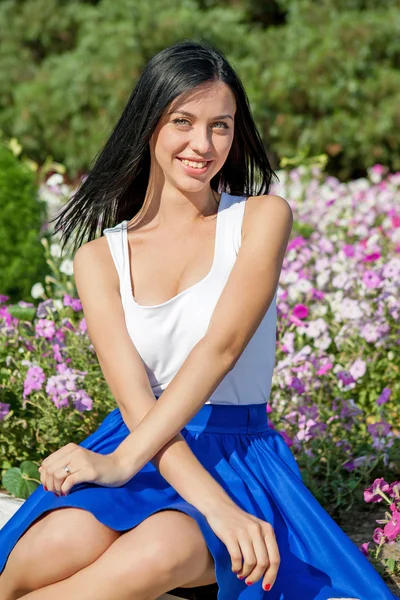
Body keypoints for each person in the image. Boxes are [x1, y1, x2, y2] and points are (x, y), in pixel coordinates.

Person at [0, 39, 396, 600]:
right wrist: (118, 465)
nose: (203, 144)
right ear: (149, 125)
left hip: (235, 457)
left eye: (222, 126)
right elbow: (134, 396)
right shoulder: (99, 257)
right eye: (182, 121)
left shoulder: (260, 217)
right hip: (138, 442)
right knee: (50, 547)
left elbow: (221, 348)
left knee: (161, 551)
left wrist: (212, 504)